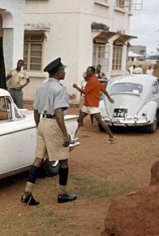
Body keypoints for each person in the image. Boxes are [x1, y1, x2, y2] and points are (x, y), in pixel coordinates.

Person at [20, 57, 77, 206]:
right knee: (63, 160)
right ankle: (62, 194)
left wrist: (38, 125)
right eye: (63, 69)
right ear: (58, 72)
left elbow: (36, 109)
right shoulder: (59, 89)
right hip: (53, 123)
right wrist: (65, 134)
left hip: (42, 123)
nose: (64, 72)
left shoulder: (42, 87)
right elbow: (59, 112)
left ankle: (27, 193)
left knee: (38, 158)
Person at [73, 66, 116, 143]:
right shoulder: (95, 80)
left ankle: (112, 137)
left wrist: (76, 87)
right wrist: (109, 97)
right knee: (79, 119)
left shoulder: (92, 81)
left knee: (100, 121)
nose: (87, 72)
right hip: (88, 104)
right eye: (87, 71)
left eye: (88, 71)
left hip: (92, 105)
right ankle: (72, 136)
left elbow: (85, 92)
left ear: (92, 72)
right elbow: (103, 90)